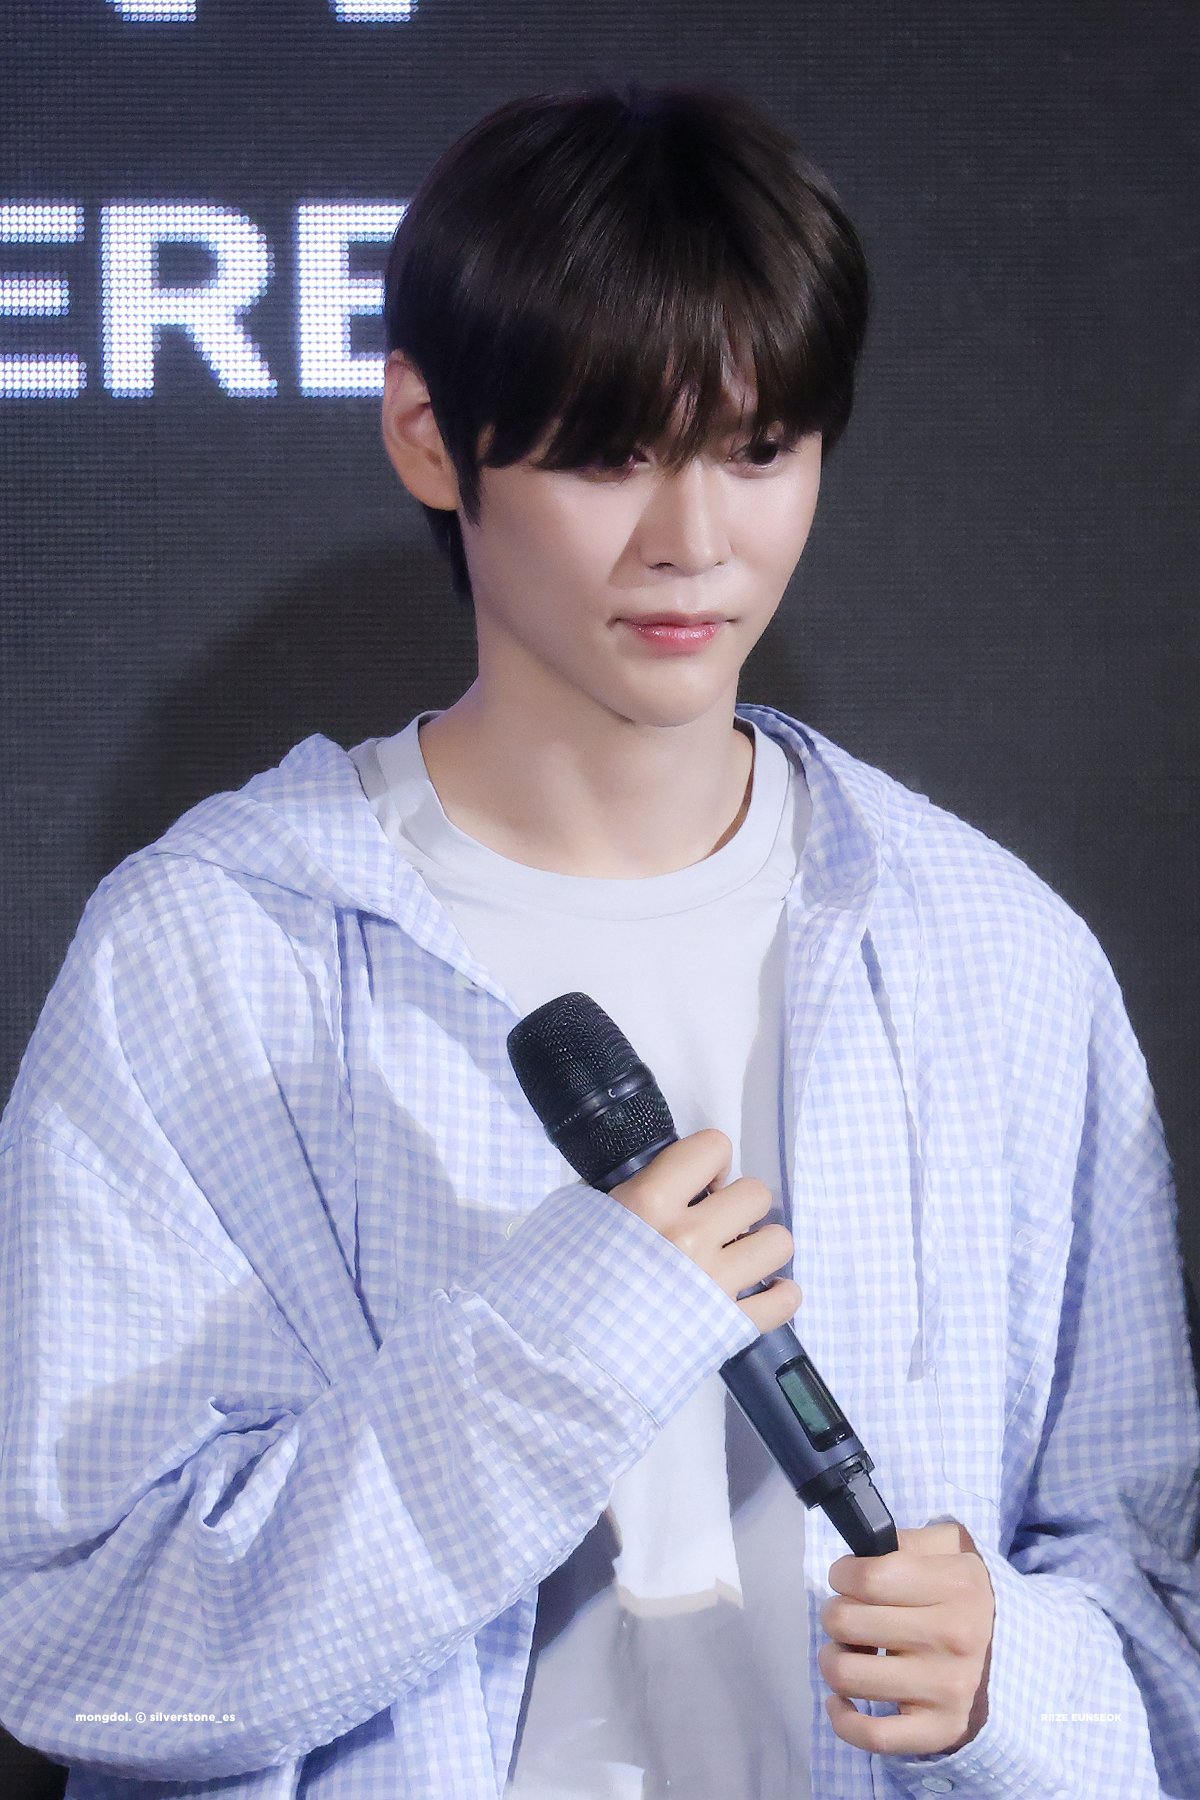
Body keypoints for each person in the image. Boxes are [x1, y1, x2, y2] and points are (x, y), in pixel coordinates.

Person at [0, 81, 1197, 1800]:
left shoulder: (996, 956)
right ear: (431, 435)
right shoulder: (207, 960)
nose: (693, 543)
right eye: (608, 454)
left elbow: (1155, 1609)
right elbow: (72, 1639)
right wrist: (563, 1349)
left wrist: (1019, 1668)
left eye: (757, 452)